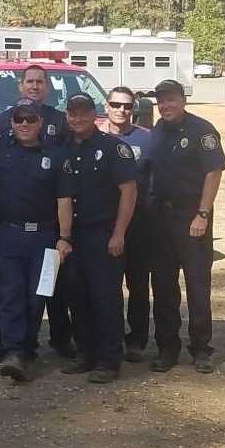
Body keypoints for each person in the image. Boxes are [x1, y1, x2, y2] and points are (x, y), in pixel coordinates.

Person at [0, 98, 73, 382]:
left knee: (38, 297)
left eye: (30, 119)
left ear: (41, 123)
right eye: (19, 119)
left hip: (45, 237)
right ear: (11, 123)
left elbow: (64, 200)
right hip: (8, 233)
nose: (24, 124)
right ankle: (15, 351)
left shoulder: (57, 155)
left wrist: (64, 237)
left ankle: (26, 347)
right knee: (9, 294)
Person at [147, 78, 225, 373]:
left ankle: (201, 348)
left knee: (196, 284)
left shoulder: (201, 130)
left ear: (183, 100)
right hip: (161, 218)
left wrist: (203, 214)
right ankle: (168, 348)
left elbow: (213, 172)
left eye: (170, 99)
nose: (165, 105)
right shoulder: (158, 131)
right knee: (164, 285)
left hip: (191, 216)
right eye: (161, 100)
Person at [58, 94, 139, 383]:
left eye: (83, 113)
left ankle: (109, 359)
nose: (77, 119)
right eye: (73, 114)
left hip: (103, 234)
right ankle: (86, 353)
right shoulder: (62, 148)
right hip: (72, 237)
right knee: (77, 295)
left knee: (105, 298)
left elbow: (129, 191)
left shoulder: (113, 148)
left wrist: (119, 233)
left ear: (95, 115)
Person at [106, 86, 154, 362]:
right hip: (104, 224)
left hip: (140, 224)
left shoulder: (147, 140)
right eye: (116, 104)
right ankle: (109, 337)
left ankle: (136, 340)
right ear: (107, 106)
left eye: (127, 106)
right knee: (108, 286)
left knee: (137, 286)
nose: (121, 110)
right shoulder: (94, 138)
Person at [0, 63, 69, 146]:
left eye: (39, 82)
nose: (35, 86)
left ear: (47, 87)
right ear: (21, 86)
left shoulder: (60, 119)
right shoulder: (2, 120)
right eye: (30, 81)